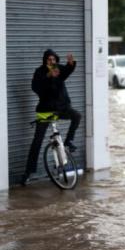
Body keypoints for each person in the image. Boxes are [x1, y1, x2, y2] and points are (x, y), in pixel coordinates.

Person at [21, 49, 81, 185]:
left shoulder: (58, 69)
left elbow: (66, 71)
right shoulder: (40, 72)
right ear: (45, 60)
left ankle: (68, 141)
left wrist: (71, 64)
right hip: (45, 110)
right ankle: (28, 172)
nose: (52, 62)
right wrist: (48, 76)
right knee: (37, 141)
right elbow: (36, 87)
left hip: (60, 108)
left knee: (76, 116)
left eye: (53, 59)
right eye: (49, 60)